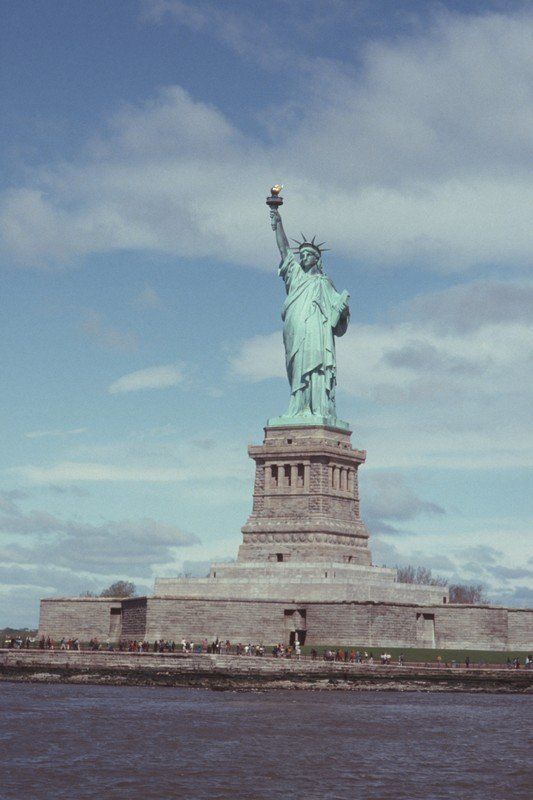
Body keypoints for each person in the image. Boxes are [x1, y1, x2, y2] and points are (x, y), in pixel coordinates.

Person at [269, 207, 350, 420]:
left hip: (316, 330)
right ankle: (297, 406)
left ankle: (318, 408)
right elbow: (284, 250)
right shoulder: (295, 276)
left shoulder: (324, 283)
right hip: (295, 328)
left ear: (316, 259)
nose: (303, 258)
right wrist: (278, 221)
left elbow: (337, 318)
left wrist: (343, 309)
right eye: (302, 255)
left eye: (308, 255)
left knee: (317, 367)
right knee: (297, 366)